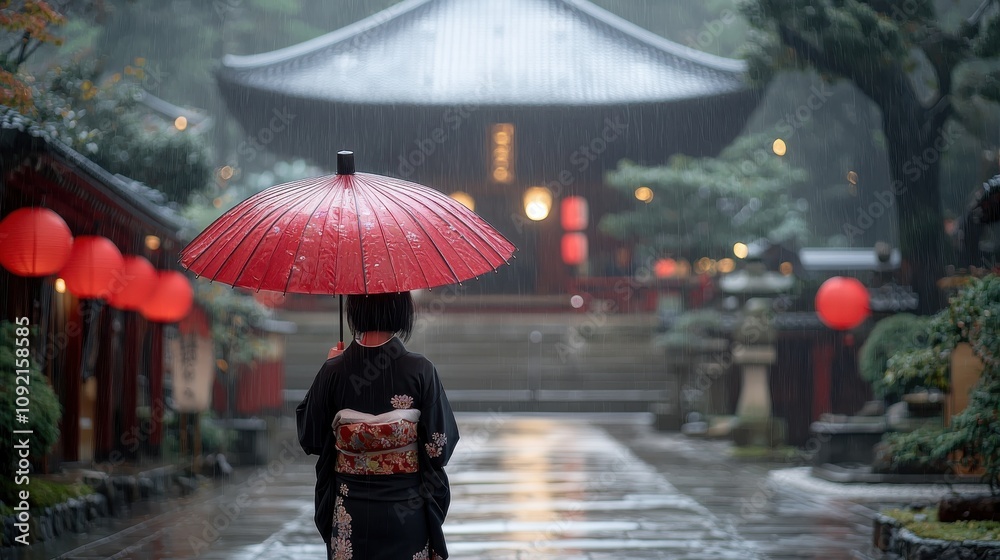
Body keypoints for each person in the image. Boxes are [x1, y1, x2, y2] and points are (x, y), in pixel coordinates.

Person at [296, 292, 459, 560]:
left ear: (355, 310)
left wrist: (330, 365)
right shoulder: (421, 370)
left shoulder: (334, 372)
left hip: (351, 512)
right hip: (407, 513)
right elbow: (438, 448)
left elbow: (311, 438)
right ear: (401, 310)